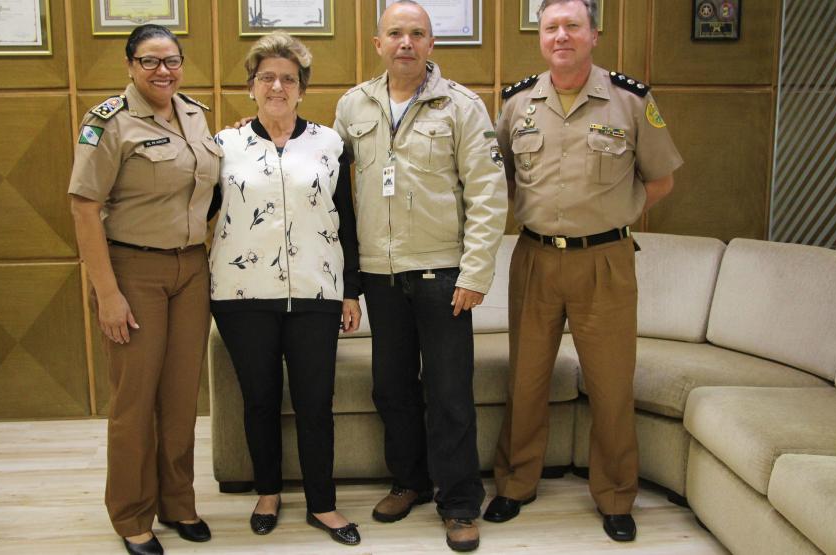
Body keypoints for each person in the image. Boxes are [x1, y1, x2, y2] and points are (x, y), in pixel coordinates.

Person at [484, 0, 683, 543]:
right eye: (551, 27)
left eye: (573, 25)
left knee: (611, 385)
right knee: (526, 380)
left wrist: (612, 215)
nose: (561, 35)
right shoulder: (517, 103)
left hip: (605, 262)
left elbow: (660, 180)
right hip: (535, 259)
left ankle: (616, 496)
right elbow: (498, 179)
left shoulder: (630, 100)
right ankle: (515, 484)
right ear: (540, 37)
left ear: (594, 34)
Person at [333, 1, 507, 551]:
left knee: (450, 392)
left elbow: (488, 194)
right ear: (378, 43)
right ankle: (408, 482)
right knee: (392, 389)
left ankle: (459, 503)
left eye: (416, 33)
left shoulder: (462, 106)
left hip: (443, 275)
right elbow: (330, 186)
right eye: (395, 33)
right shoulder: (352, 105)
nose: (405, 42)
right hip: (380, 276)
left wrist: (475, 272)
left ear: (431, 44)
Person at [68, 24, 221, 555]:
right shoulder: (108, 123)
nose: (163, 71)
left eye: (172, 60)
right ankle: (132, 514)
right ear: (130, 65)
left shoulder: (194, 114)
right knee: (134, 400)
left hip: (192, 268)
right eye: (150, 61)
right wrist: (107, 293)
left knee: (180, 397)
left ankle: (177, 501)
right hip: (134, 271)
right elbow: (84, 208)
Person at [209, 31, 362, 546]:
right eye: (267, 78)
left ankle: (323, 504)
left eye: (288, 79)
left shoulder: (329, 143)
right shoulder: (224, 145)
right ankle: (268, 493)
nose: (277, 86)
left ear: (302, 89)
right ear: (251, 86)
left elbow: (346, 219)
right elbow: (201, 210)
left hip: (317, 293)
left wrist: (350, 290)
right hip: (241, 293)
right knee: (259, 400)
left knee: (316, 402)